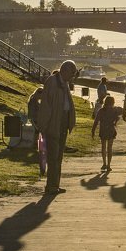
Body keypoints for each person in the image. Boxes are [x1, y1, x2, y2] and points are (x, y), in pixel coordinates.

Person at [38, 59, 78, 195]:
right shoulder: (52, 82)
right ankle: (51, 186)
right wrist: (44, 126)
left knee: (58, 157)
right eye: (72, 74)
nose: (72, 77)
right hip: (54, 123)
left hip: (62, 123)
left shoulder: (64, 83)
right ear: (64, 70)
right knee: (53, 157)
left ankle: (55, 185)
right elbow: (46, 105)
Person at [91, 94, 122, 173]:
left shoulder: (101, 111)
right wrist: (115, 122)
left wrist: (93, 131)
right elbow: (117, 118)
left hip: (103, 131)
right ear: (112, 103)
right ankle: (109, 165)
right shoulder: (114, 111)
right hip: (111, 130)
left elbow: (96, 121)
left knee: (103, 147)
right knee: (109, 148)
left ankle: (104, 163)